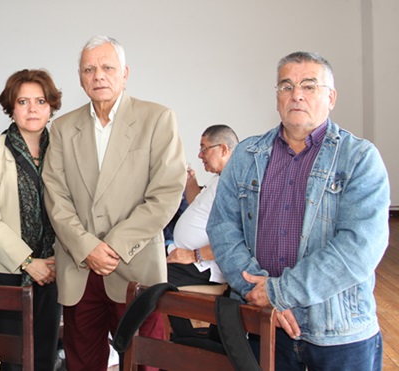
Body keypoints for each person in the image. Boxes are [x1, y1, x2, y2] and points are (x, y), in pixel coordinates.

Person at [207, 52, 389, 371]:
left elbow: (360, 248)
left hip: (339, 334)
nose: (297, 95)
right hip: (262, 326)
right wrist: (257, 292)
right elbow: (222, 228)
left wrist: (278, 292)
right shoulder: (246, 156)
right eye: (286, 86)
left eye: (309, 85)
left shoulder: (360, 158)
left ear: (330, 97)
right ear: (277, 97)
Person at [42, 35, 185, 371]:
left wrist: (114, 246)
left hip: (135, 266)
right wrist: (86, 246)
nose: (98, 76)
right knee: (82, 361)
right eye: (89, 69)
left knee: (144, 362)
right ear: (80, 78)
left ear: (125, 73)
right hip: (80, 266)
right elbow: (55, 195)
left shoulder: (157, 118)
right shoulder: (62, 128)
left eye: (108, 67)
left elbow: (166, 193)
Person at [0, 69, 62, 371]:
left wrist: (52, 260)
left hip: (53, 267)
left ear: (51, 106)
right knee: (10, 358)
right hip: (4, 269)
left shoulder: (64, 151)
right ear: (11, 107)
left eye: (40, 100)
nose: (32, 108)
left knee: (45, 354)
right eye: (23, 101)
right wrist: (28, 262)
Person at [165, 125, 237, 341]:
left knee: (151, 278)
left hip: (203, 265)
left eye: (204, 148)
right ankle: (187, 343)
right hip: (190, 259)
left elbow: (235, 238)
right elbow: (198, 202)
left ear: (223, 149)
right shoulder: (219, 179)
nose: (200, 154)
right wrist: (189, 180)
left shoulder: (234, 184)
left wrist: (192, 255)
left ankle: (192, 345)